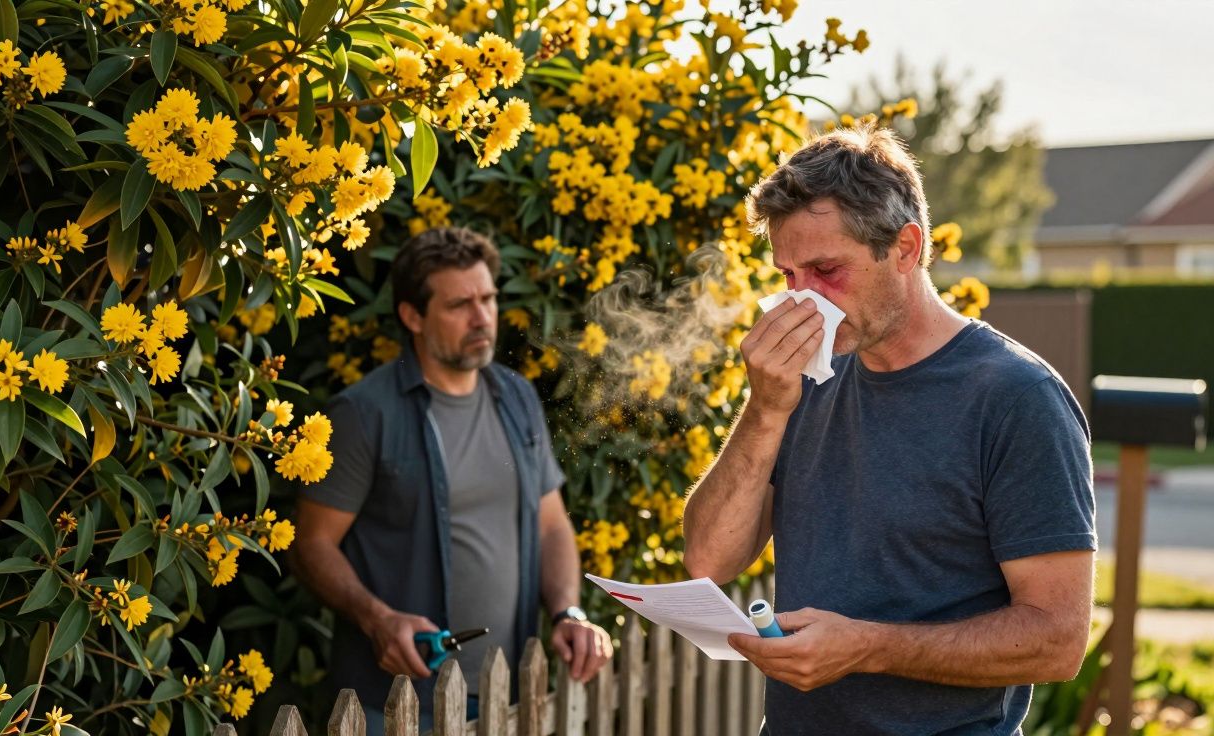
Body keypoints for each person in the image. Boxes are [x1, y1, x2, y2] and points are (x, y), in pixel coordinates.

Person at [682, 125, 1096, 735]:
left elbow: (1057, 641)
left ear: (905, 248)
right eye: (789, 275)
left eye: (826, 270)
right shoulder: (805, 380)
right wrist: (765, 410)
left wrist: (870, 647)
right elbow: (708, 560)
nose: (803, 300)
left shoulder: (1016, 398)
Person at [292, 227, 612, 733]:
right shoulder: (362, 414)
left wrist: (568, 612)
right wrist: (376, 618)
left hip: (508, 692)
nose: (482, 317)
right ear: (412, 316)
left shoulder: (517, 397)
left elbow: (551, 525)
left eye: (487, 298)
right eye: (460, 304)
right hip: (394, 703)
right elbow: (310, 545)